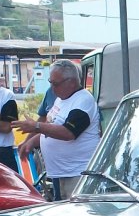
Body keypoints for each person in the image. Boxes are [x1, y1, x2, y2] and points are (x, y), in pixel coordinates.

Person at [13, 59, 100, 200]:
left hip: (78, 175)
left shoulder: (83, 101)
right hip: (61, 173)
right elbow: (51, 129)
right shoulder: (61, 98)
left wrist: (36, 126)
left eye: (56, 83)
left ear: (71, 82)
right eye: (50, 82)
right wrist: (30, 142)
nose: (52, 88)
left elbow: (68, 133)